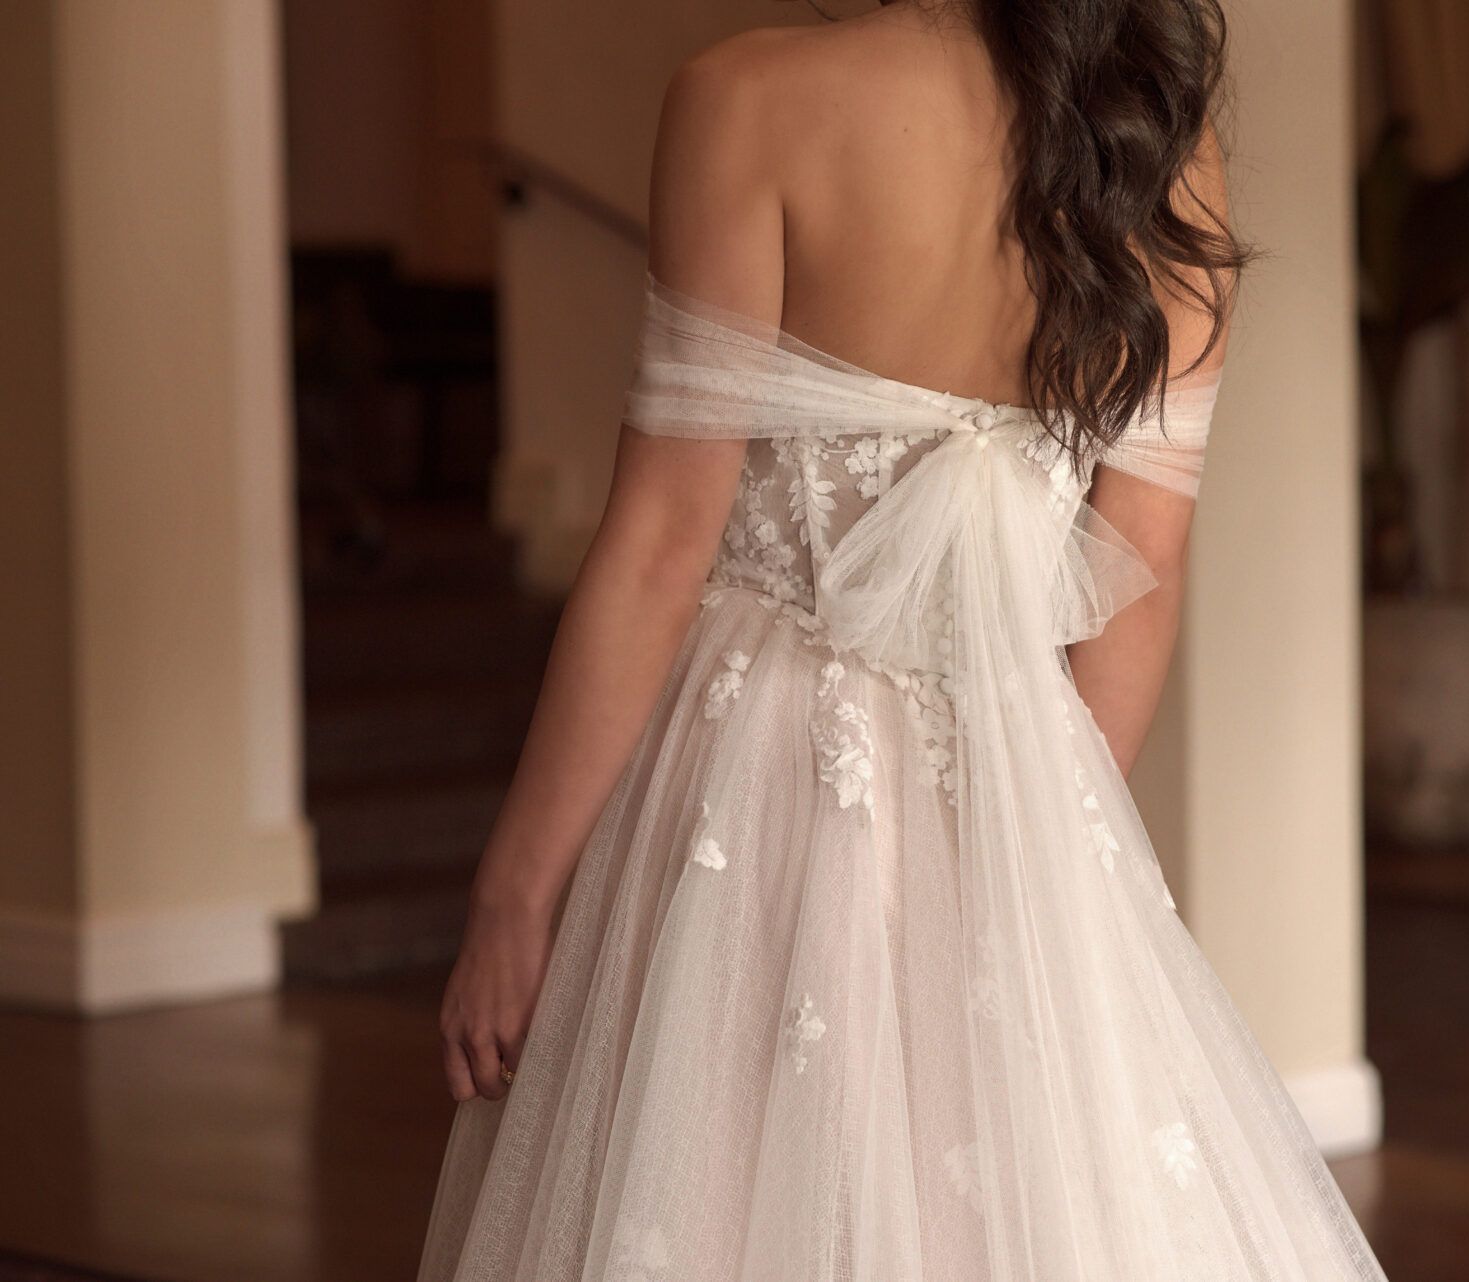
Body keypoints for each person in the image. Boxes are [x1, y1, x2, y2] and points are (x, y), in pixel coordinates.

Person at [417, 1, 1386, 1277]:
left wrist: (515, 892)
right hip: (1017, 763)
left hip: (752, 772)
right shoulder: (1159, 135)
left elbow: (659, 546)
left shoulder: (746, 98)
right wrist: (1035, 848)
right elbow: (1140, 572)